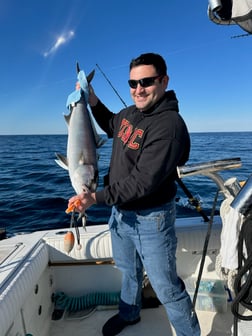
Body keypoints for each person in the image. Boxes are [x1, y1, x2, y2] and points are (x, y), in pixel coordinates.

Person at [68, 52, 201, 336]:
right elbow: (110, 124)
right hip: (121, 214)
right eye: (133, 82)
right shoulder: (131, 113)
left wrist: (95, 197)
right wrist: (89, 99)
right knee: (128, 271)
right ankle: (130, 315)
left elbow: (143, 182)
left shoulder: (170, 127)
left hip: (151, 219)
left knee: (166, 287)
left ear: (164, 81)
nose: (138, 89)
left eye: (147, 82)